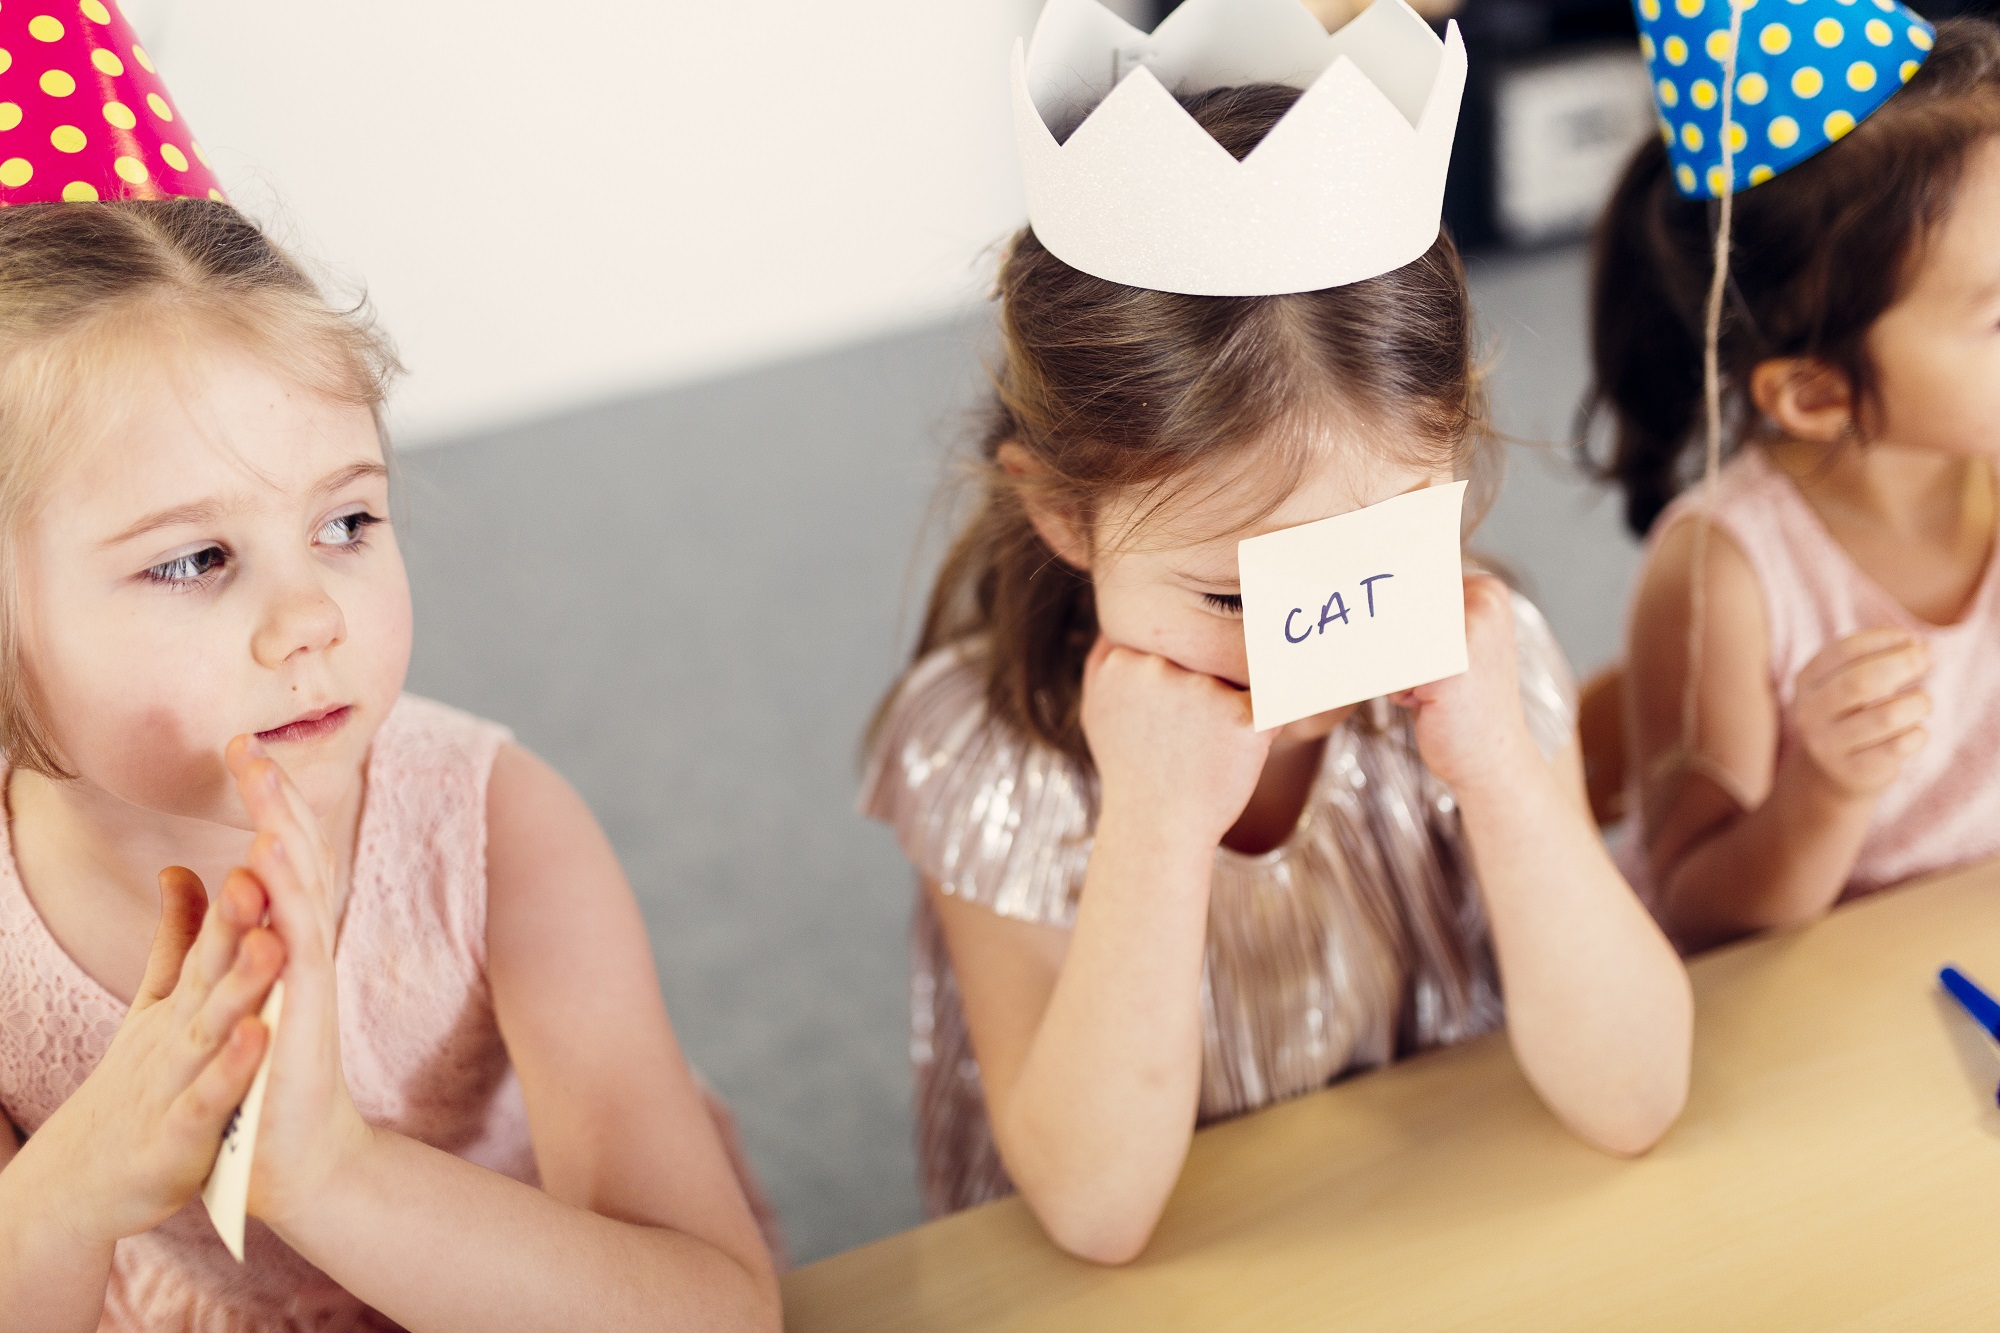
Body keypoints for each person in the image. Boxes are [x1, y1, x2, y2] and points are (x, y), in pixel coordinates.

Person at [865, 0, 1692, 1265]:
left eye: (1370, 563)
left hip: (1441, 1233)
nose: (1296, 652)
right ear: (1062, 514)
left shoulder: (1482, 656)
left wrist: (1505, 782)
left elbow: (1632, 1097)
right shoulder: (987, 755)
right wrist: (1149, 824)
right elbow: (1095, 1212)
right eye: (1225, 601)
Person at [0, 5, 779, 1327]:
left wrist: (330, 1174)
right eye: (194, 560)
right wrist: (66, 1190)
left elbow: (715, 1307)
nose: (311, 613)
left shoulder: (495, 832)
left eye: (344, 520)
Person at [1591, 0, 2000, 951]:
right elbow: (1698, 905)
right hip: (1808, 1025)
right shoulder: (1728, 575)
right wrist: (1826, 789)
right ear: (1818, 394)